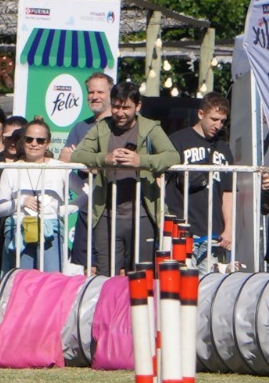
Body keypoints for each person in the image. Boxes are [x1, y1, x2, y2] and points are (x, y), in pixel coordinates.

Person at [68, 81, 179, 275]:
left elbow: (173, 155)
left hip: (143, 214)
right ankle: (110, 306)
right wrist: (105, 159)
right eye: (116, 106)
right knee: (106, 275)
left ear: (138, 106)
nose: (120, 113)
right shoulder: (101, 127)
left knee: (141, 275)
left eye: (126, 107)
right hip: (106, 213)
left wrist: (140, 161)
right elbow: (78, 154)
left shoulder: (150, 128)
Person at [0, 118, 70, 275]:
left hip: (50, 231)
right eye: (29, 139)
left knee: (52, 281)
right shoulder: (11, 169)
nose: (34, 144)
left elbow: (86, 193)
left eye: (40, 140)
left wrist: (61, 212)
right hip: (19, 229)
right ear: (23, 141)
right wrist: (21, 202)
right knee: (22, 281)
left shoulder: (59, 167)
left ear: (47, 143)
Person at [166, 92, 234, 266]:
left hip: (213, 233)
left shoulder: (224, 149)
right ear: (200, 114)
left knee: (210, 288)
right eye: (214, 119)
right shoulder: (177, 141)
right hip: (180, 232)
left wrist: (229, 228)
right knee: (179, 288)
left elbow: (228, 192)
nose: (218, 125)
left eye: (222, 121)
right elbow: (160, 182)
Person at [60, 73, 112, 268]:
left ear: (110, 94)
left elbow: (111, 163)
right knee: (84, 268)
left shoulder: (119, 126)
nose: (95, 96)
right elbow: (64, 158)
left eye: (100, 92)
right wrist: (91, 162)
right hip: (86, 209)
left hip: (113, 209)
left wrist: (82, 157)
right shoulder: (80, 127)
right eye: (91, 92)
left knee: (110, 268)